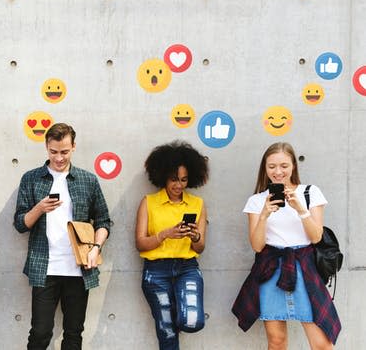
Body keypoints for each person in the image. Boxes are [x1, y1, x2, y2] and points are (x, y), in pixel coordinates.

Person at [232, 142, 341, 349]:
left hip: (305, 267)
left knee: (322, 344)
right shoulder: (256, 201)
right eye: (271, 166)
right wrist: (264, 215)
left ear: (293, 166)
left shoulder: (310, 192)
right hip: (270, 269)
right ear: (265, 168)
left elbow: (316, 237)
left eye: (284, 165)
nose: (278, 172)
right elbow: (257, 246)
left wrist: (301, 209)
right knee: (276, 342)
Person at [14, 123, 111, 350]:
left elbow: (104, 221)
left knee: (73, 334)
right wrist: (39, 209)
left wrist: (95, 248)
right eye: (53, 152)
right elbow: (20, 224)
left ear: (73, 147)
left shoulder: (88, 180)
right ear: (47, 148)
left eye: (64, 152)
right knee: (40, 333)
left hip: (79, 268)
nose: (59, 158)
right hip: (44, 268)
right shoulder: (31, 179)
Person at [135, 141, 209, 349]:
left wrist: (194, 237)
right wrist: (167, 234)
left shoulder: (198, 204)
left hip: (187, 268)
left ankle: (175, 308)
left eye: (184, 180)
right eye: (174, 179)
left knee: (192, 321)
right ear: (163, 177)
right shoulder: (149, 202)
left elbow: (200, 247)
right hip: (156, 272)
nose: (179, 185)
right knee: (167, 333)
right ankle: (169, 313)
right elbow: (140, 244)